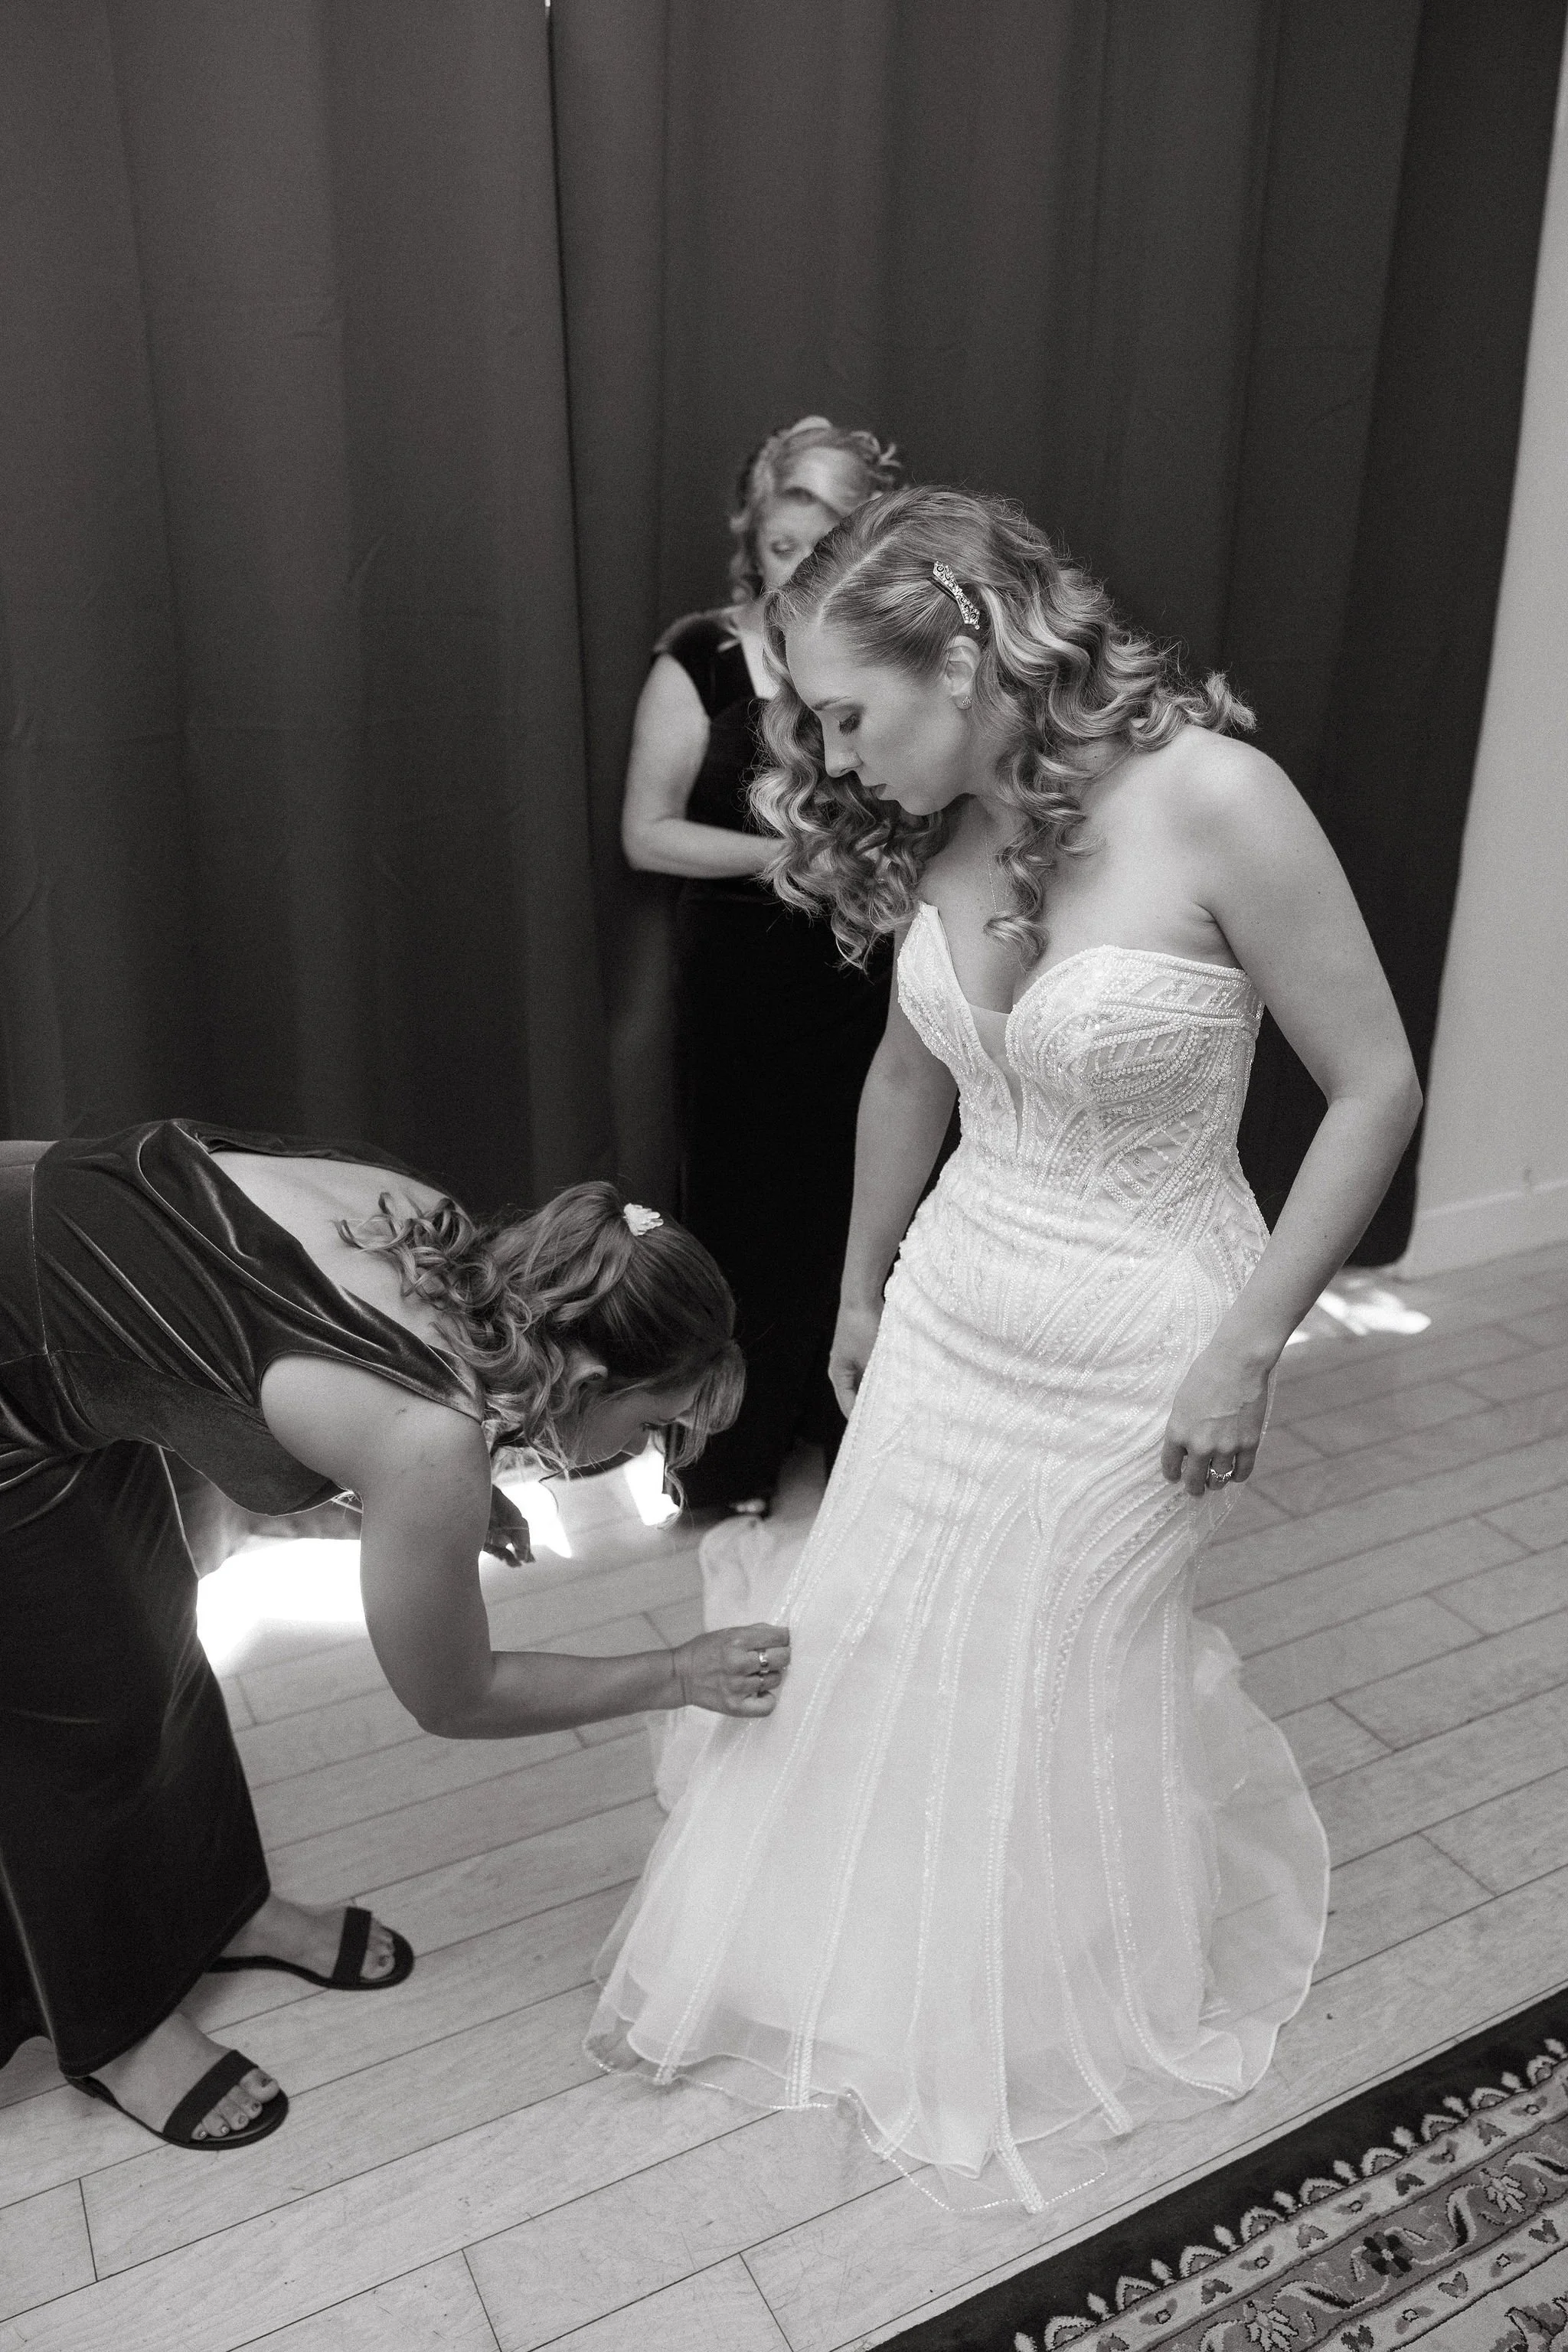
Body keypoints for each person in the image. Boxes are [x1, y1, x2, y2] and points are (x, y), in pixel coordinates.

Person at [589, 486, 1423, 2210]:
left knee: (1056, 1660)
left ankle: (1025, 2001)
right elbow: (911, 1070)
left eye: (845, 713)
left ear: (960, 656)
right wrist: (857, 1291)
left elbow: (1375, 1090)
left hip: (1149, 1343)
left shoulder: (1216, 799)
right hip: (957, 1305)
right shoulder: (948, 817)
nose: (828, 756)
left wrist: (1250, 1348)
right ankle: (861, 1961)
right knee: (889, 1626)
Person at [0, 1122, 789, 2152]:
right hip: (17, 1352)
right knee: (82, 1717)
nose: (642, 1452)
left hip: (46, 1247)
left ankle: (218, 1909)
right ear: (591, 1379)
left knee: (162, 1647)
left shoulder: (434, 1233)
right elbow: (454, 1696)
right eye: (649, 1424)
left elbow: (275, 1367)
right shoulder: (427, 1438)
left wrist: (436, 1491)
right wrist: (679, 1671)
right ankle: (117, 2033)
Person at [622, 416, 900, 1516]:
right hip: (743, 976)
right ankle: (731, 1461)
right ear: (753, 541)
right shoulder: (701, 655)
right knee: (743, 1207)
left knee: (865, 1198)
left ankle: (853, 1436)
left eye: (821, 545)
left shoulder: (884, 658)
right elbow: (647, 834)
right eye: (782, 546)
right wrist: (792, 860)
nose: (797, 566)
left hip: (865, 971)